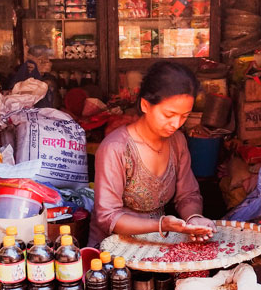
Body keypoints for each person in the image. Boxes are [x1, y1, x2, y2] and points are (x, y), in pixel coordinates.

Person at [89, 61, 216, 246]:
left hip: (157, 244)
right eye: (168, 115)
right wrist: (161, 225)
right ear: (145, 105)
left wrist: (194, 218)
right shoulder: (116, 148)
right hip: (112, 251)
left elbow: (187, 195)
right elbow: (107, 216)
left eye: (184, 116)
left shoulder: (178, 142)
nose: (176, 123)